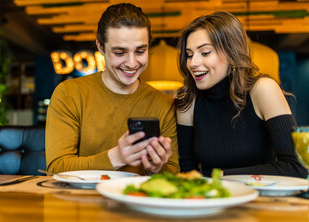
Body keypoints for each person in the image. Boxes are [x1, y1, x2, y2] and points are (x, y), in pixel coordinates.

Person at [45, 3, 179, 175]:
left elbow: (173, 171)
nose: (132, 63)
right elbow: (57, 168)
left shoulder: (162, 103)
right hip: (80, 200)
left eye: (140, 51)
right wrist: (116, 157)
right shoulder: (69, 94)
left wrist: (155, 169)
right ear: (101, 47)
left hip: (136, 199)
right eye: (119, 53)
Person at [175, 11, 307, 178]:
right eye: (189, 55)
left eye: (205, 52)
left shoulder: (263, 90)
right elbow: (188, 173)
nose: (193, 63)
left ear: (232, 54)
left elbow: (296, 166)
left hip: (262, 200)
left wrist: (222, 176)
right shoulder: (188, 101)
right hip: (212, 200)